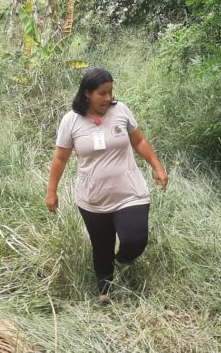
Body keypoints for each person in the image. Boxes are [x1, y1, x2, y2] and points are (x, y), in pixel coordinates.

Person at [46, 68, 168, 304]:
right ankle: (105, 289)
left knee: (135, 240)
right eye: (102, 93)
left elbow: (139, 140)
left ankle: (122, 260)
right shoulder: (71, 121)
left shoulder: (121, 111)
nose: (109, 98)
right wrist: (52, 191)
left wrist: (157, 166)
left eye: (111, 92)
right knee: (101, 246)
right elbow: (60, 158)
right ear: (87, 94)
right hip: (93, 198)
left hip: (130, 192)